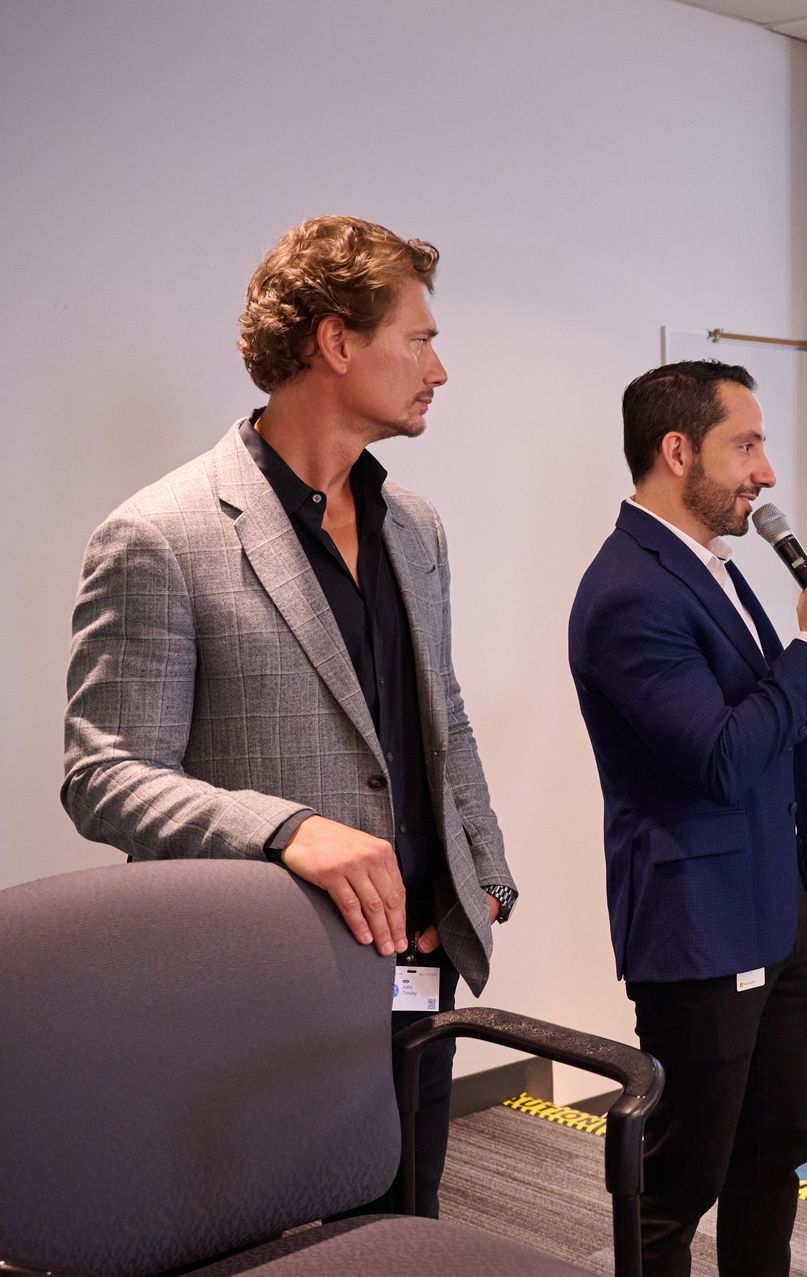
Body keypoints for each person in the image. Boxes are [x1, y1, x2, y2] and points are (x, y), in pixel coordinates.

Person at [63, 215, 515, 1217]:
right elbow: (105, 773)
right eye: (420, 338)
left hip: (415, 974)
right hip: (260, 988)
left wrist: (480, 867)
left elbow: (442, 709)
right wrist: (286, 828)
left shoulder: (417, 527)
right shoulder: (160, 534)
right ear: (338, 342)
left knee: (405, 1223)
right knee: (270, 1240)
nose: (439, 367)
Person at [568, 359, 807, 1277]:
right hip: (702, 922)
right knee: (682, 1178)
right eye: (745, 446)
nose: (765, 475)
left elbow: (757, 713)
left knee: (777, 1147)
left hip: (778, 897)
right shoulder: (628, 590)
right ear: (678, 451)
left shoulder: (712, 565)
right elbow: (717, 757)